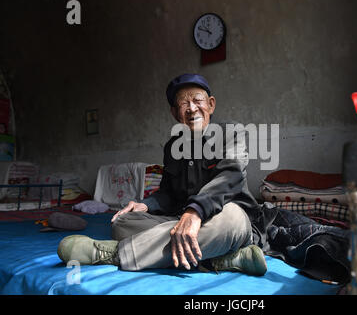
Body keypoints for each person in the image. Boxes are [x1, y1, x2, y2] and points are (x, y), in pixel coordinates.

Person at [57, 74, 268, 276]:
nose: (192, 108)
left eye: (197, 100)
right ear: (175, 113)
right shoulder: (172, 147)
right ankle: (221, 260)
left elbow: (230, 177)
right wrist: (146, 205)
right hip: (182, 218)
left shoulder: (231, 133)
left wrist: (195, 212)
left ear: (211, 104)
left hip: (228, 218)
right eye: (184, 104)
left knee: (230, 220)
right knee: (122, 223)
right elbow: (168, 193)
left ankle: (116, 254)